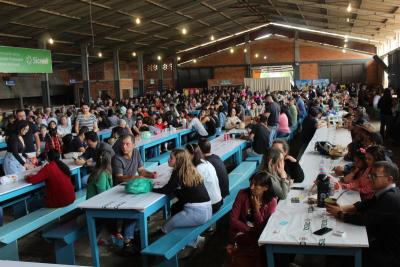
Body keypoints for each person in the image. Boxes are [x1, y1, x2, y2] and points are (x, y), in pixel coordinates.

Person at [326, 161, 400, 267]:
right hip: (379, 240)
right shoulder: (386, 192)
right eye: (370, 175)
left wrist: (339, 214)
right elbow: (364, 204)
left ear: (389, 179)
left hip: (387, 252)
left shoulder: (390, 199)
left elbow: (364, 219)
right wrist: (341, 208)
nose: (370, 178)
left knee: (337, 255)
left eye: (374, 176)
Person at [154, 149, 211, 255]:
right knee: (175, 209)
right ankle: (195, 240)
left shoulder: (177, 173)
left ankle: (165, 253)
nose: (168, 160)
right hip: (207, 209)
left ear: (178, 161)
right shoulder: (190, 169)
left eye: (171, 158)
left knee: (166, 227)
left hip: (197, 212)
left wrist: (151, 188)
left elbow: (165, 190)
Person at [111, 134, 156, 255]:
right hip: (119, 190)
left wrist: (151, 175)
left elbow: (141, 170)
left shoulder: (136, 152)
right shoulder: (117, 158)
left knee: (143, 208)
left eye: (127, 144)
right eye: (122, 144)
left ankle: (133, 235)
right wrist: (134, 177)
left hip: (133, 188)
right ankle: (128, 242)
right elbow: (119, 178)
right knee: (134, 211)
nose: (124, 147)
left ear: (133, 145)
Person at [227, 171, 277, 267]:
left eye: (256, 185)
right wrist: (249, 229)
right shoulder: (242, 194)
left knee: (259, 246)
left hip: (260, 236)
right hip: (242, 232)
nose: (251, 187)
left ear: (265, 188)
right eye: (251, 183)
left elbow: (264, 228)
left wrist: (256, 210)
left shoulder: (271, 202)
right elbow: (233, 219)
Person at [186, 143, 223, 213]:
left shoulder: (197, 169)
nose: (184, 157)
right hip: (218, 201)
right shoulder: (206, 163)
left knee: (181, 205)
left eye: (186, 154)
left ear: (192, 155)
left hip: (211, 206)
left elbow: (190, 189)